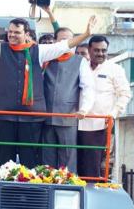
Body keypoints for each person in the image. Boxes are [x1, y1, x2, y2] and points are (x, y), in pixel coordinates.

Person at [0, 11, 96, 168]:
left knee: (29, 160)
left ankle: (27, 193)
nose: (12, 35)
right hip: (4, 116)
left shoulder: (40, 51)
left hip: (31, 117)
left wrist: (86, 34)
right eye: (10, 32)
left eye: (17, 32)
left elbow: (64, 45)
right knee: (4, 161)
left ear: (26, 34)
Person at [41, 27, 95, 171]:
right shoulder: (45, 59)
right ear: (55, 42)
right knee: (46, 158)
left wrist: (84, 108)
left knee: (68, 157)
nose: (67, 43)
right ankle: (47, 186)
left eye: (69, 39)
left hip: (68, 115)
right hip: (44, 116)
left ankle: (68, 188)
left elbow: (88, 87)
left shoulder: (80, 61)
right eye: (62, 40)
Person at [77, 35, 131, 178]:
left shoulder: (115, 69)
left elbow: (125, 94)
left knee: (93, 167)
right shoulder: (80, 66)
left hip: (99, 126)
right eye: (96, 50)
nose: (100, 54)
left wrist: (112, 114)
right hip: (75, 124)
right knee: (74, 165)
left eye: (104, 50)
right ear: (89, 49)